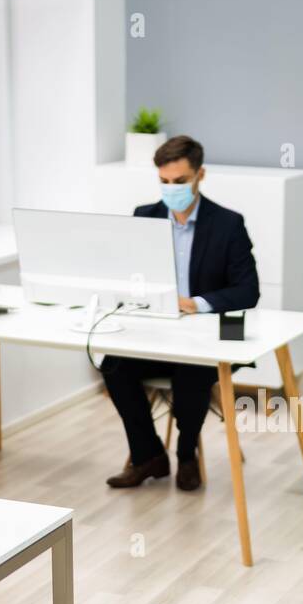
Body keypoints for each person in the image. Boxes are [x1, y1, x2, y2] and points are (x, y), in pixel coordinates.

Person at [100, 135, 259, 492]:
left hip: (205, 337)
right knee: (113, 363)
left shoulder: (227, 224)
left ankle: (187, 454)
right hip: (156, 333)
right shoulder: (145, 217)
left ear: (200, 174)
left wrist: (196, 303)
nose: (171, 190)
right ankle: (149, 455)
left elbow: (248, 290)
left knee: (191, 370)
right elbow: (128, 274)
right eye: (164, 182)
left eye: (180, 182)